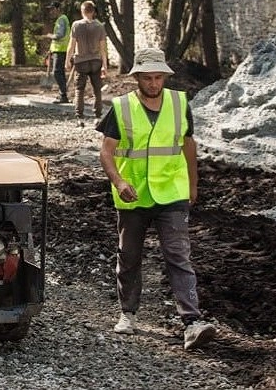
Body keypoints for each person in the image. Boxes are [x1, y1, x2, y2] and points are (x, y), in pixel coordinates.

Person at [96, 47, 217, 350]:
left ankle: (192, 322)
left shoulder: (179, 104)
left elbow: (188, 145)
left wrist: (193, 183)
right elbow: (106, 152)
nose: (153, 83)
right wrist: (119, 181)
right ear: (136, 77)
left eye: (158, 77)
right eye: (147, 78)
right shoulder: (121, 108)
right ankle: (128, 313)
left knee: (178, 255)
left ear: (164, 76)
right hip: (133, 194)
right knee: (129, 256)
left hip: (171, 192)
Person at [65, 0, 108, 127]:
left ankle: (80, 118)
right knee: (97, 90)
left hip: (81, 61)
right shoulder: (100, 26)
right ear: (93, 11)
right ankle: (98, 117)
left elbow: (71, 45)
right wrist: (105, 66)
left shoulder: (76, 25)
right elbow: (103, 48)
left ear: (82, 11)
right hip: (95, 61)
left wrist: (67, 60)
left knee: (79, 90)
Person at [48, 2, 71, 103]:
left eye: (52, 9)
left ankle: (63, 95)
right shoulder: (61, 19)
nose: (51, 11)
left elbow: (60, 35)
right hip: (59, 49)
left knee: (57, 73)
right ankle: (62, 95)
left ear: (58, 9)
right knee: (60, 73)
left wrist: (51, 36)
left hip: (61, 50)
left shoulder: (61, 19)